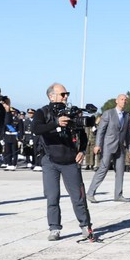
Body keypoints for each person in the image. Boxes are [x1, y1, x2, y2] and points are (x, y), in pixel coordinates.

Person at [33, 83, 94, 241]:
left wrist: (82, 150)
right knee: (52, 196)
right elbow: (36, 129)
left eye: (67, 94)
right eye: (62, 94)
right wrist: (56, 123)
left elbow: (84, 135)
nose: (66, 96)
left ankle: (85, 226)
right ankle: (54, 228)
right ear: (51, 96)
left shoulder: (72, 113)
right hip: (50, 161)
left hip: (70, 161)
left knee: (78, 197)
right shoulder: (42, 112)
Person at [87, 94, 130, 203]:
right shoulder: (108, 113)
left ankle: (118, 195)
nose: (124, 101)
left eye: (125, 100)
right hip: (108, 146)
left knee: (120, 171)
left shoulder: (126, 116)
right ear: (117, 101)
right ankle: (90, 193)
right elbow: (101, 130)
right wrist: (98, 145)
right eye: (122, 99)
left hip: (120, 147)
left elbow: (127, 134)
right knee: (103, 169)